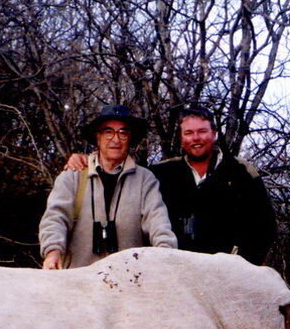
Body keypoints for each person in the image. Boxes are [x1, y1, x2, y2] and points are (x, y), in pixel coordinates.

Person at [66, 106, 276, 265]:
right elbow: (118, 172)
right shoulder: (161, 173)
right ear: (181, 138)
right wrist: (86, 160)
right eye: (188, 133)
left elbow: (264, 230)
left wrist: (238, 265)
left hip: (228, 273)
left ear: (214, 133)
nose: (196, 138)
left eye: (202, 131)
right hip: (176, 273)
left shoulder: (242, 172)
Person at [39, 105, 176, 269]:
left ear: (130, 138)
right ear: (98, 137)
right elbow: (55, 217)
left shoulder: (145, 179)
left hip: (129, 280)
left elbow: (158, 222)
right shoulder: (72, 176)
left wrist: (167, 256)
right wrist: (52, 251)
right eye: (108, 132)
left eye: (123, 133)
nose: (116, 139)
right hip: (78, 280)